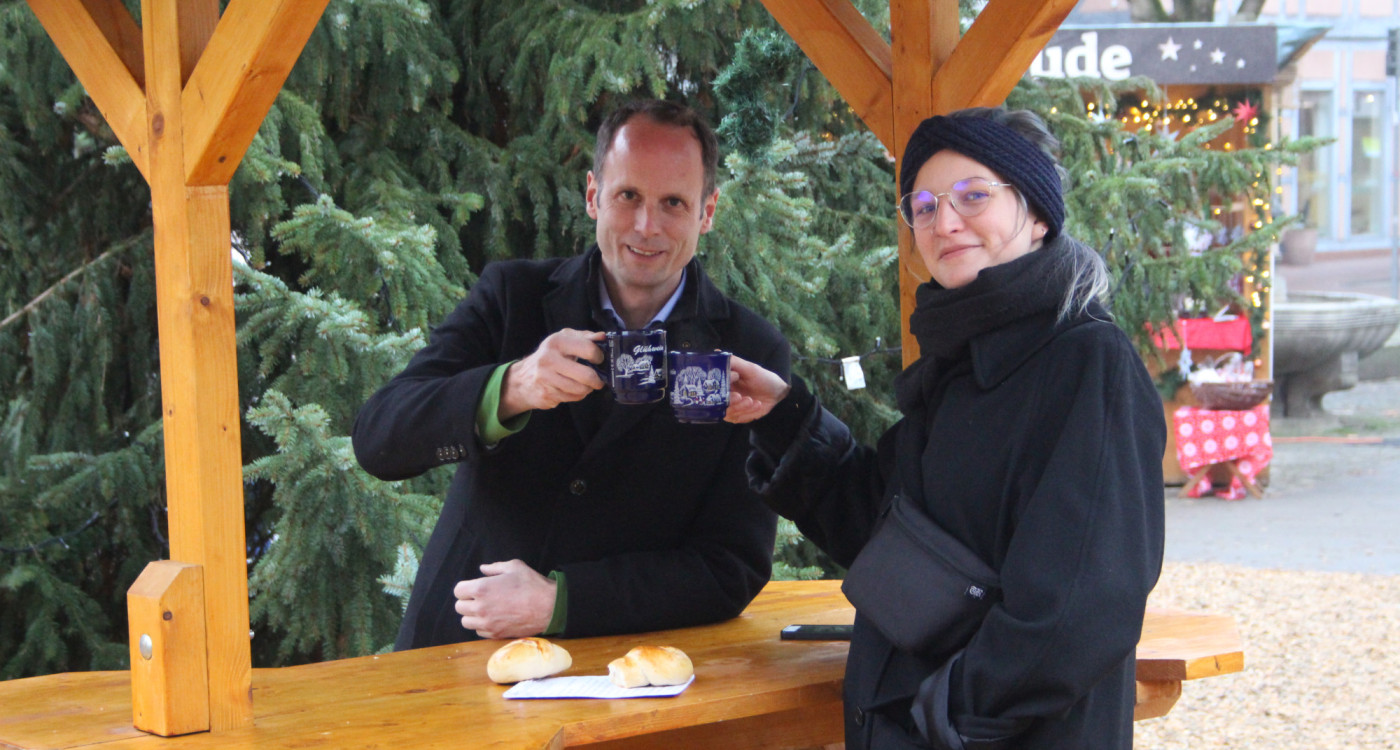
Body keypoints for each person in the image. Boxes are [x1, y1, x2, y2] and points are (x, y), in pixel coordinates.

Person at [724, 107, 1166, 749]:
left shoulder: (1086, 364)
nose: (945, 221)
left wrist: (946, 714)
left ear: (1037, 213)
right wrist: (786, 417)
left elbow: (1078, 610)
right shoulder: (958, 362)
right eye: (924, 206)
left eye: (974, 196)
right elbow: (890, 533)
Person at [353, 99, 790, 650]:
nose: (646, 225)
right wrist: (510, 388)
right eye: (628, 195)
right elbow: (378, 440)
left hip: (623, 674)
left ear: (707, 212)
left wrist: (563, 601)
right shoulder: (512, 298)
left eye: (673, 203)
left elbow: (732, 567)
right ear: (592, 195)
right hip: (458, 648)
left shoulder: (751, 353)